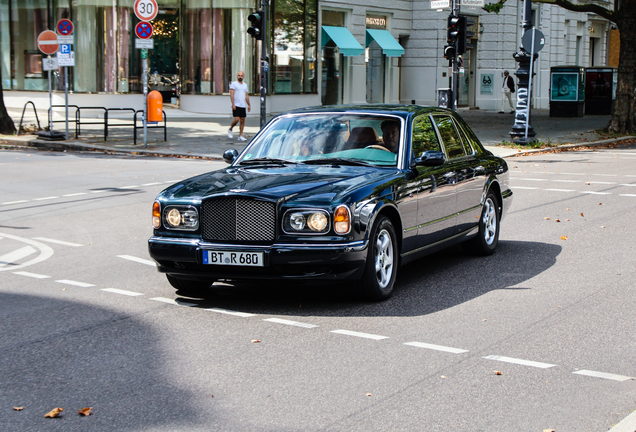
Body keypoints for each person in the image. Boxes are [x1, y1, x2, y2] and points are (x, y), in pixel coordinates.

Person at [228, 71, 251, 141]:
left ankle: (240, 135)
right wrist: (233, 104)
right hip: (236, 105)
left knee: (242, 120)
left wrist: (249, 104)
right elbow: (231, 94)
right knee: (237, 119)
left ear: (243, 77)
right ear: (237, 76)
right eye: (239, 75)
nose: (240, 77)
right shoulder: (234, 84)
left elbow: (246, 95)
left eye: (241, 75)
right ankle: (230, 128)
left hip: (242, 105)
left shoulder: (245, 85)